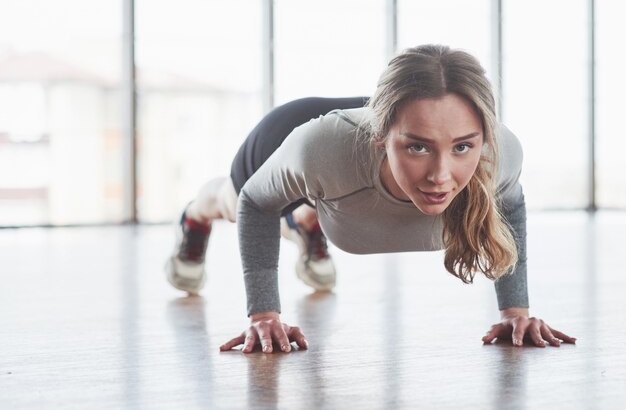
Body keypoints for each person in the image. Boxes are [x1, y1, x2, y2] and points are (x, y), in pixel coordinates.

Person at [165, 44, 576, 353]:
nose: (440, 175)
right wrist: (264, 315)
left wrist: (515, 313)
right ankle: (197, 217)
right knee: (231, 202)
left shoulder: (501, 155)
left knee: (327, 194)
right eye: (418, 148)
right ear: (382, 140)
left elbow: (510, 207)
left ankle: (307, 221)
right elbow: (255, 203)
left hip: (338, 179)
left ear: (483, 139)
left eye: (463, 147)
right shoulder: (319, 150)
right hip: (296, 139)